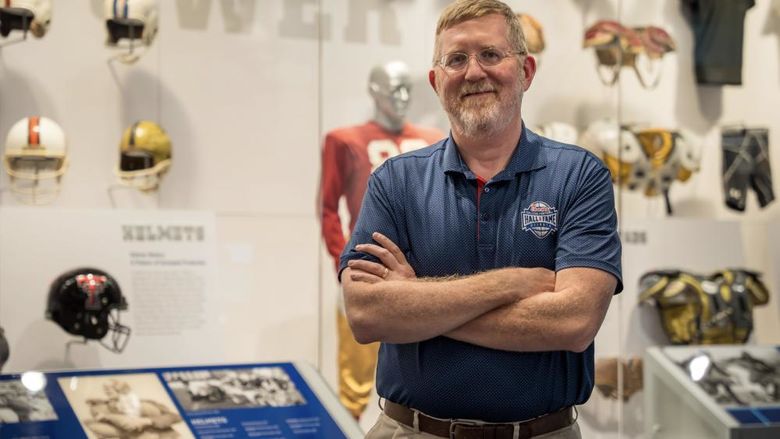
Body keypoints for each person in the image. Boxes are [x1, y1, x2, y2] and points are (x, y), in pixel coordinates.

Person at [339, 1, 622, 438]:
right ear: (436, 82)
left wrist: (415, 302)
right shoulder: (394, 181)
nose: (473, 72)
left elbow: (574, 321)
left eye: (490, 54)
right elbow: (366, 314)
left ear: (526, 71)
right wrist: (511, 285)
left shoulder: (579, 176)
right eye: (456, 59)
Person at [318, 61, 443, 419]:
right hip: (367, 265)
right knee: (355, 375)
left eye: (407, 89)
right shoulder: (344, 140)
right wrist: (342, 265)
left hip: (425, 269)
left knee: (428, 362)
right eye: (393, 89)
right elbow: (329, 208)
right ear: (374, 91)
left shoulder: (433, 139)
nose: (402, 98)